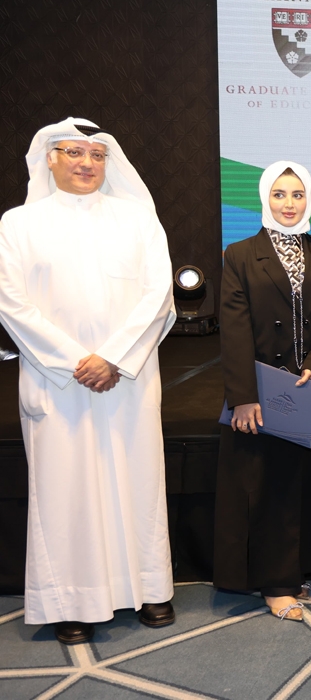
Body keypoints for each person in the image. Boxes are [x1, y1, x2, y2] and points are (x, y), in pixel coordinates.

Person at [0, 119, 176, 644]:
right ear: (49, 159)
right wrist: (78, 360)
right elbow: (11, 303)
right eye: (74, 152)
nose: (86, 163)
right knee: (65, 493)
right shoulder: (18, 224)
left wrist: (114, 358)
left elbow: (159, 297)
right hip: (58, 383)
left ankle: (149, 588)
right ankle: (70, 602)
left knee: (137, 484)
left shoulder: (138, 220)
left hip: (126, 380)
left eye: (97, 155)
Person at [215, 161, 311, 621]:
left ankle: (295, 570)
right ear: (264, 198)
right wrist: (243, 396)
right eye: (279, 194)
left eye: (297, 194)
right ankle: (275, 583)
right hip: (263, 389)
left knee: (307, 482)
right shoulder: (239, 254)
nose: (289, 204)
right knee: (269, 486)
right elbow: (234, 328)